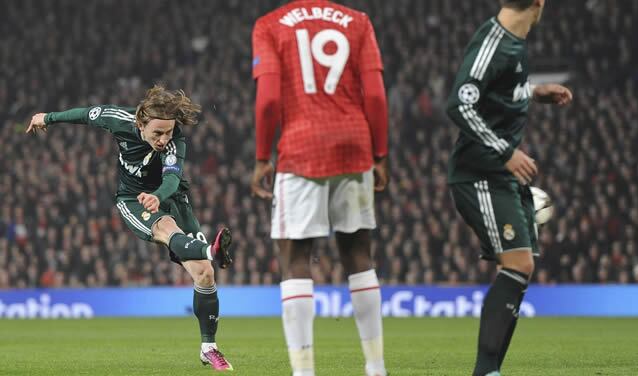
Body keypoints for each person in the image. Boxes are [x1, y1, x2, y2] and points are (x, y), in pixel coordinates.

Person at [26, 85, 235, 372]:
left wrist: (158, 196)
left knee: (204, 273)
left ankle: (208, 348)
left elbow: (173, 180)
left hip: (170, 197)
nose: (164, 140)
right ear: (140, 123)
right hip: (133, 200)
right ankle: (210, 251)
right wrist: (47, 117)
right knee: (166, 227)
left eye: (169, 133)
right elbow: (86, 114)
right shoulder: (118, 119)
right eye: (157, 133)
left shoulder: (176, 143)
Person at [251, 1, 389, 375]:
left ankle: (304, 371)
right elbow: (375, 95)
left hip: (301, 147)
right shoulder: (358, 22)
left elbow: (269, 101)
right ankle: (376, 367)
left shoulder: (270, 25)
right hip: (354, 144)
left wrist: (263, 156)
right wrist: (379, 153)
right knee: (359, 255)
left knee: (295, 258)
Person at [446, 1, 573, 375]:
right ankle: (485, 371)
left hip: (499, 174)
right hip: (479, 172)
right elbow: (460, 105)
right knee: (518, 263)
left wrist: (533, 92)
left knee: (522, 268)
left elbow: (498, 89)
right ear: (538, 3)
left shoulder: (514, 41)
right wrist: (505, 151)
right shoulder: (494, 42)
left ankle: (490, 370)